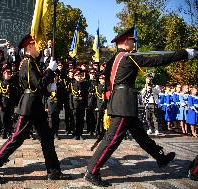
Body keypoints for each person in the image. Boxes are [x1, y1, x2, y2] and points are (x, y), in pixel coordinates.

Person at [84, 26, 197, 187]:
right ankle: (92, 171)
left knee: (141, 136)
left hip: (121, 102)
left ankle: (160, 157)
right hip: (124, 104)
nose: (134, 43)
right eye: (132, 40)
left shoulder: (112, 59)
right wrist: (184, 53)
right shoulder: (130, 57)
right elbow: (158, 60)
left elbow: (101, 79)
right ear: (124, 41)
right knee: (112, 139)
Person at [0, 34, 63, 184]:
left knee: (47, 138)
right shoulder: (27, 63)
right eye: (37, 45)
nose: (40, 48)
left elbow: (37, 87)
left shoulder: (32, 62)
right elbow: (37, 84)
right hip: (28, 106)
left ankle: (54, 171)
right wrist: (50, 71)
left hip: (36, 105)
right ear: (29, 47)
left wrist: (49, 88)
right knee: (16, 139)